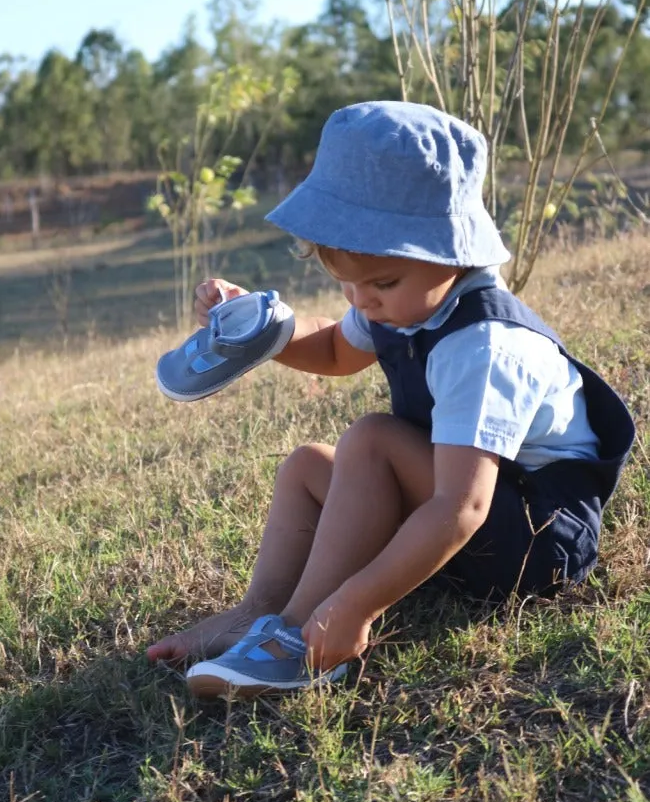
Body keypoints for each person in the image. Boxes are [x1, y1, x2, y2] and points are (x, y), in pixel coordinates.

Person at [147, 101, 635, 697]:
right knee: (307, 467)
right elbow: (331, 352)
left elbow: (462, 507)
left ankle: (300, 638)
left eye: (380, 283)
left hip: (534, 544)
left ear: (452, 253)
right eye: (345, 281)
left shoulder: (485, 345)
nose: (362, 301)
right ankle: (258, 613)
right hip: (463, 528)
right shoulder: (405, 303)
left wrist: (355, 603)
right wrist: (263, 327)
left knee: (373, 440)